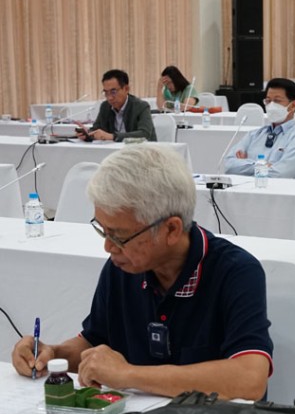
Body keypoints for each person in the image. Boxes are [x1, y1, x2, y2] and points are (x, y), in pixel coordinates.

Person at [12, 145, 273, 399]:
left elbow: (250, 379)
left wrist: (128, 374)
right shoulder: (124, 266)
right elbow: (94, 341)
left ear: (171, 229)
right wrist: (51, 354)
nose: (108, 247)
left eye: (119, 236)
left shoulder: (235, 272)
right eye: (103, 230)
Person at [223, 78, 295, 179]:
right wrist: (262, 165)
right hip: (247, 188)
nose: (271, 105)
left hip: (280, 189)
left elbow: (279, 174)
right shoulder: (253, 135)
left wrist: (245, 164)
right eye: (268, 101)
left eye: (277, 101)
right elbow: (229, 166)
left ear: (293, 106)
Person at [78, 69, 156, 142]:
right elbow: (96, 129)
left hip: (142, 150)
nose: (110, 98)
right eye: (106, 93)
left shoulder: (141, 106)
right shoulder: (105, 106)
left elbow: (144, 134)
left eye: (113, 92)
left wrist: (113, 136)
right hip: (114, 150)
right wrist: (87, 134)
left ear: (126, 89)